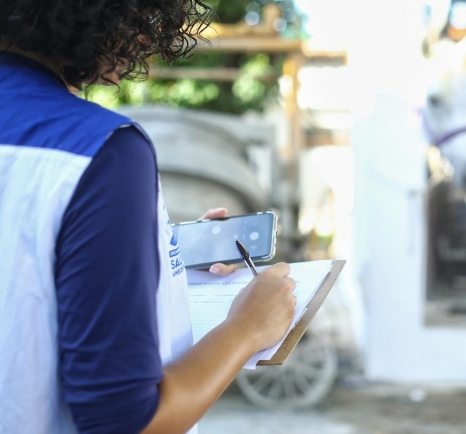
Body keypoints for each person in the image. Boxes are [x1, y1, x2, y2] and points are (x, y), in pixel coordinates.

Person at [0, 1, 297, 433]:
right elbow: (125, 421)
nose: (146, 39)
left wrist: (157, 252)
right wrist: (246, 328)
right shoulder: (104, 153)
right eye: (146, 18)